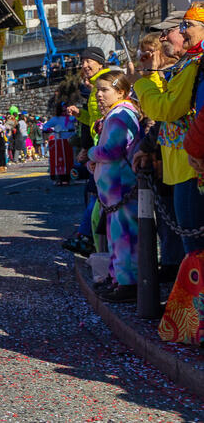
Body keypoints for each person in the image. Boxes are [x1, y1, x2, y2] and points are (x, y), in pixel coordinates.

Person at [134, 4, 204, 259]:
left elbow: (166, 110)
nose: (163, 38)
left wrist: (140, 81)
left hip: (190, 166)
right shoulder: (187, 64)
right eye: (181, 26)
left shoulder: (194, 64)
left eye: (186, 26)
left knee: (193, 247)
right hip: (182, 165)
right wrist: (149, 75)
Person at [87, 71, 142, 303]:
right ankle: (117, 279)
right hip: (114, 192)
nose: (99, 95)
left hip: (121, 189)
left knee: (124, 238)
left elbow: (113, 150)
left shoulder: (121, 114)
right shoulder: (115, 114)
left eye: (105, 90)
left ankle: (128, 283)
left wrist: (91, 153)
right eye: (97, 90)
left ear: (121, 92)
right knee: (116, 237)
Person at [43, 104, 76, 186]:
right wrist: (50, 130)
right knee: (60, 160)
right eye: (63, 110)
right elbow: (45, 126)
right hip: (60, 143)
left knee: (71, 159)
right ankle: (58, 177)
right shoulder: (55, 119)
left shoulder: (72, 118)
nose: (65, 112)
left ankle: (70, 176)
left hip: (70, 142)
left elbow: (80, 121)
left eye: (66, 110)